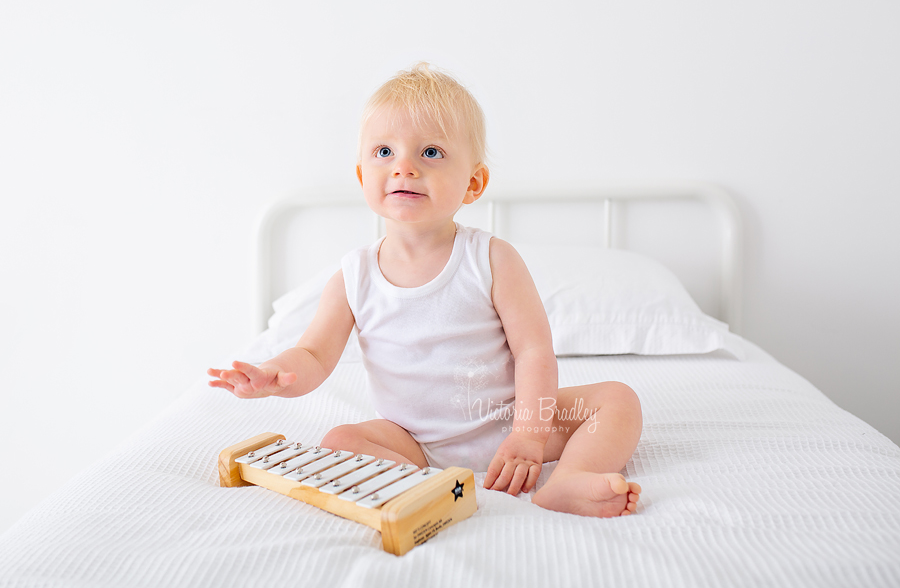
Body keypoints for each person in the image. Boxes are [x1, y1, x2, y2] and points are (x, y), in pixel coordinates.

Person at [208, 63, 642, 518]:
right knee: (341, 441)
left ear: (473, 183)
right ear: (362, 178)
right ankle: (434, 490)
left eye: (431, 152)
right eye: (383, 152)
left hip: (507, 425)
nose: (404, 168)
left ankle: (568, 481)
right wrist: (275, 374)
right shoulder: (353, 275)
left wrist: (529, 435)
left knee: (617, 400)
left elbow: (534, 351)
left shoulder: (492, 259)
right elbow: (314, 356)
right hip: (411, 442)